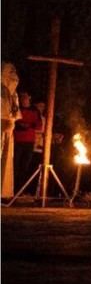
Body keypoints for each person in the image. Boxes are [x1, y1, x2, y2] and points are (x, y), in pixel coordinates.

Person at [13, 92, 42, 193]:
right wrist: (20, 125)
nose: (24, 98)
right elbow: (14, 122)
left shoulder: (35, 111)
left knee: (25, 167)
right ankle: (12, 189)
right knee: (15, 166)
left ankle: (21, 191)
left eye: (26, 96)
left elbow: (39, 125)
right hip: (17, 141)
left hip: (29, 142)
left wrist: (28, 125)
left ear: (29, 97)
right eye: (22, 96)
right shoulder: (17, 108)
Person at [1, 62, 21, 198]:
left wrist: (12, 120)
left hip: (8, 128)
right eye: (10, 73)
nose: (14, 77)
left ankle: (3, 191)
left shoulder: (13, 94)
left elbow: (15, 111)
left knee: (6, 159)